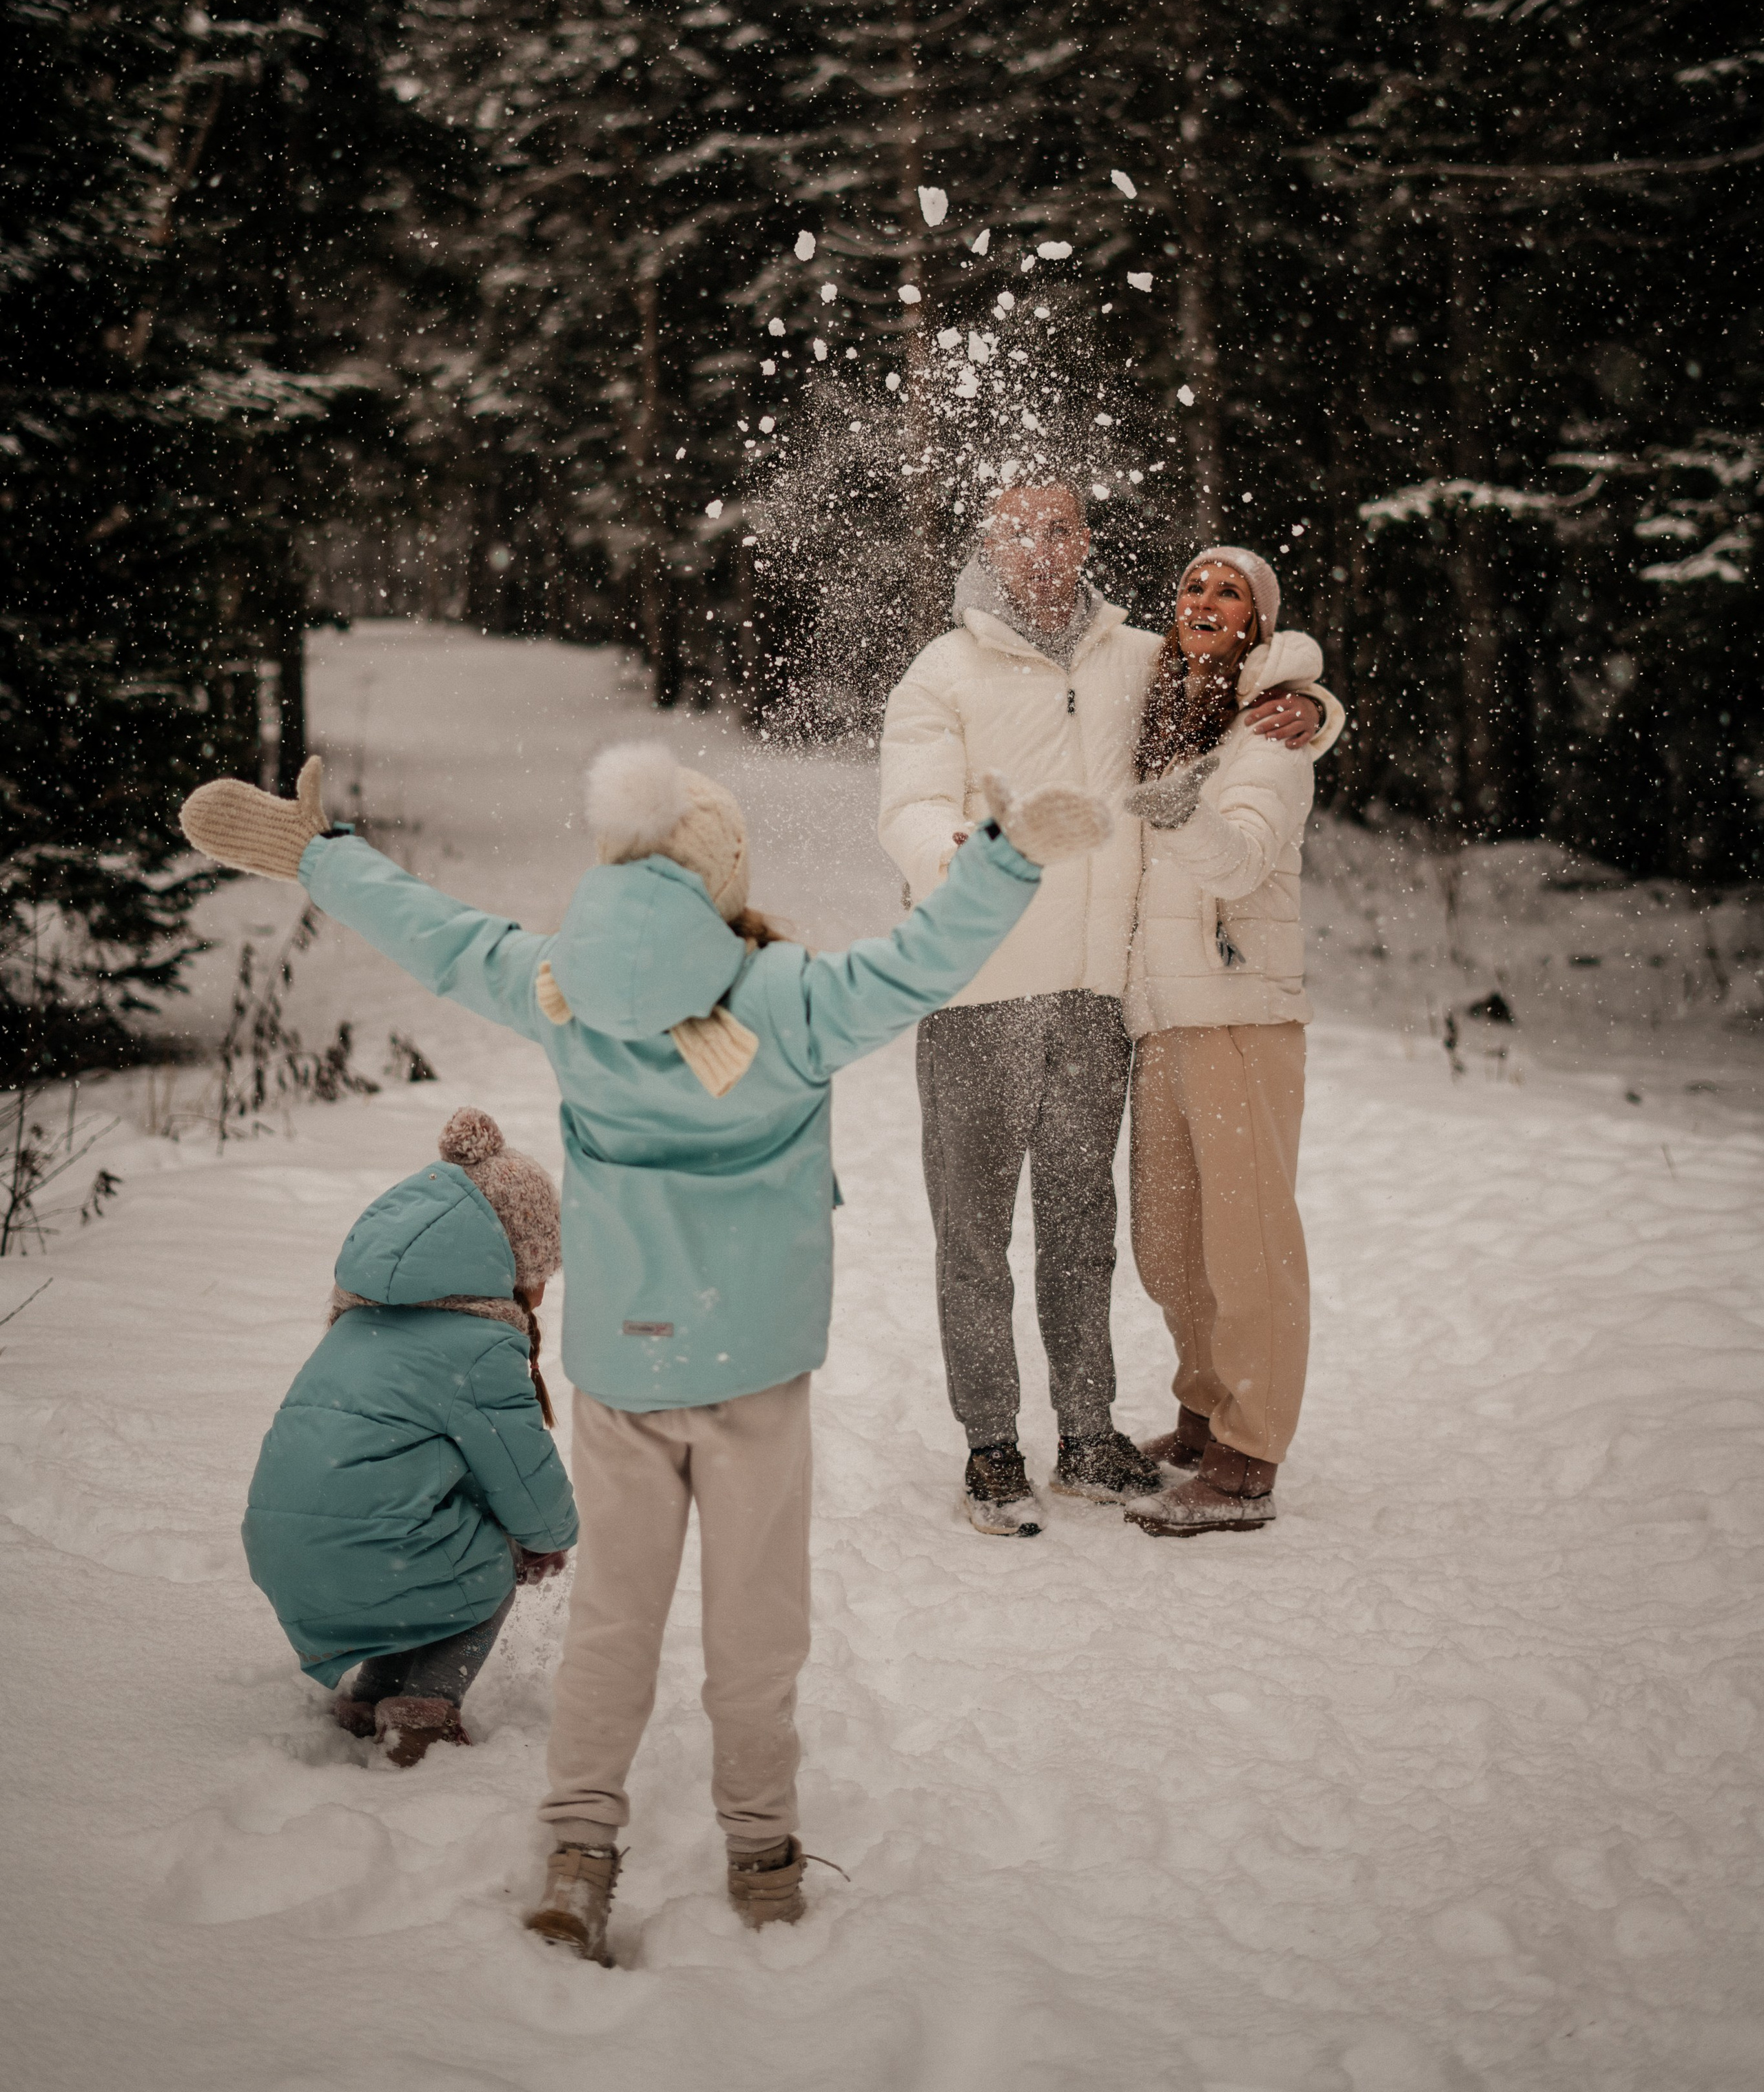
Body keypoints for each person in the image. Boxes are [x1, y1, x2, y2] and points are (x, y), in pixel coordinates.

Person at [181, 738, 1111, 1960]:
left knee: (615, 1627)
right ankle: (763, 1854)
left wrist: (323, 854)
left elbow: (441, 935)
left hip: (624, 1372)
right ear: (719, 882)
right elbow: (924, 958)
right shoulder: (788, 1002)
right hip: (753, 1376)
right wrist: (1005, 860)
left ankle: (577, 1849)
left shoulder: (560, 986)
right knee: (755, 1630)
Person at [878, 481, 1337, 1537]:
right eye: (1018, 531)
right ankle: (993, 1446)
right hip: (979, 990)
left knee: (1086, 1234)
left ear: (1085, 542)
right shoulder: (943, 669)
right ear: (988, 543)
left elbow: (1249, 682)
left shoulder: (1136, 660)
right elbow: (909, 801)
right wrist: (952, 858)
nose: (1040, 549)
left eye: (1059, 529)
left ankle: (1088, 1432)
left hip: (1097, 1000)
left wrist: (1315, 705)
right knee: (973, 1236)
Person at [242, 1105, 577, 1766]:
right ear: (508, 1257)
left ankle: (373, 1695)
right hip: (363, 1555)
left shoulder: (358, 1324)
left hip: (287, 1556)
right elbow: (519, 1466)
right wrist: (547, 1538)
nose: (543, 1284)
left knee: (413, 1535)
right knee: (491, 1558)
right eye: (540, 1264)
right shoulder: (479, 1344)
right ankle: (425, 1710)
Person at [1118, 545, 1340, 1538]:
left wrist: (1184, 816)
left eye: (1230, 591)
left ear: (1258, 620)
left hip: (1241, 1014)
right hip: (1165, 1015)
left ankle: (1250, 1458)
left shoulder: (1270, 734)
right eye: (1195, 586)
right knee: (1170, 1246)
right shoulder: (1168, 706)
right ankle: (1204, 1414)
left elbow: (1242, 863)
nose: (1205, 600)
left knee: (1248, 1247)